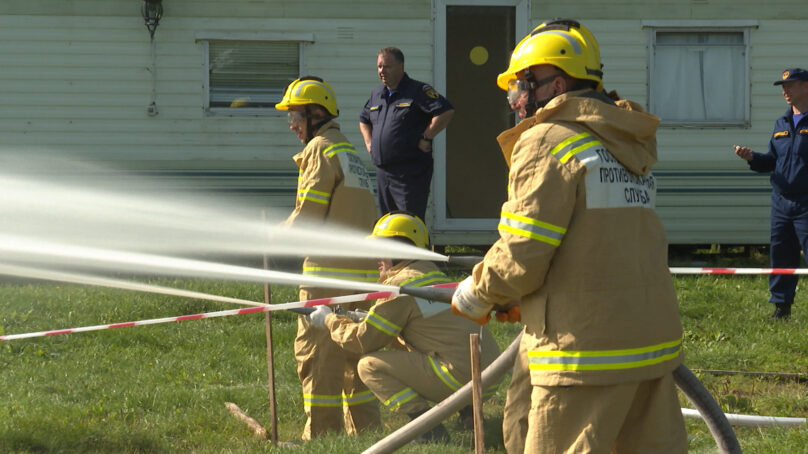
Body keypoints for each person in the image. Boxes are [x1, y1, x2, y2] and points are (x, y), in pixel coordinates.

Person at [450, 19, 688, 453]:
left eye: (521, 86)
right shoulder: (621, 142)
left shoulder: (548, 140)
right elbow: (596, 242)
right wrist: (531, 299)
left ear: (554, 84)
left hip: (584, 356)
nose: (516, 101)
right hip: (650, 345)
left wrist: (478, 293)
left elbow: (523, 251)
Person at [308, 212, 502, 443]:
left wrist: (329, 320)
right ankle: (468, 413)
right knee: (424, 350)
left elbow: (363, 341)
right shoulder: (430, 274)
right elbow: (422, 332)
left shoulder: (402, 285)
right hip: (490, 374)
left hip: (460, 378)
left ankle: (427, 429)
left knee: (369, 366)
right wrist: (366, 318)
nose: (376, 257)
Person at [275, 76, 381, 440]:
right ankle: (365, 435)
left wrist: (272, 242)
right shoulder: (348, 151)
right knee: (356, 360)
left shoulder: (320, 150)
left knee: (318, 359)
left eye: (295, 117)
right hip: (363, 280)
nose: (291, 126)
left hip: (326, 279)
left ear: (315, 114)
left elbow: (308, 215)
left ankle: (320, 437)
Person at [734, 67, 808, 320]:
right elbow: (773, 161)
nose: (785, 90)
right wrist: (752, 157)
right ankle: (781, 308)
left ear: (806, 87)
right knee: (780, 254)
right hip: (781, 202)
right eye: (783, 87)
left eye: (791, 85)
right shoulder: (781, 123)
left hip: (806, 203)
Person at [359, 47, 455, 222]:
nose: (382, 71)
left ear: (401, 66)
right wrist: (369, 143)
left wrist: (427, 136)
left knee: (409, 224)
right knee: (387, 224)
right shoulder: (377, 95)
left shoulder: (418, 91)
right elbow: (363, 119)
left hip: (409, 174)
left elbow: (445, 112)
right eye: (379, 67)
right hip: (383, 172)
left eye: (387, 66)